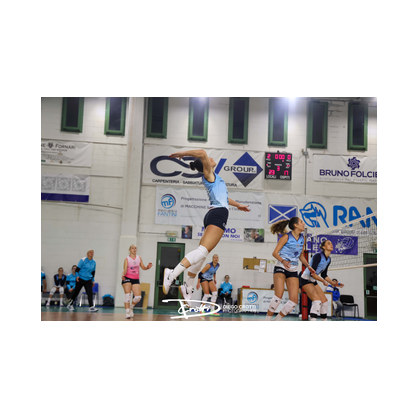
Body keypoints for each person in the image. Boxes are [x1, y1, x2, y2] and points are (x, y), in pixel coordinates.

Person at [163, 149, 250, 302]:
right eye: (209, 158)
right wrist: (183, 154)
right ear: (205, 165)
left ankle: (188, 286)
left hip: (214, 213)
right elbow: (202, 152)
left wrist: (238, 205)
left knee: (202, 257)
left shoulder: (215, 177)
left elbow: (225, 198)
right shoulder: (208, 174)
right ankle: (172, 273)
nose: (211, 158)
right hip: (218, 214)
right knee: (202, 252)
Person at [265, 217, 315, 321]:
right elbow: (275, 253)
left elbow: (301, 256)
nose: (303, 223)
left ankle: (277, 319)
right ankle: (267, 319)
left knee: (293, 301)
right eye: (301, 222)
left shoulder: (302, 238)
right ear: (295, 225)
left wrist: (308, 266)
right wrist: (283, 261)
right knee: (278, 296)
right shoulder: (286, 237)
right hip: (281, 267)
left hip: (293, 270)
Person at [299, 240, 344, 321]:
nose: (331, 244)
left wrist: (334, 284)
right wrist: (323, 281)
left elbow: (324, 275)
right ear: (323, 247)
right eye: (328, 243)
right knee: (317, 301)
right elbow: (312, 274)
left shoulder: (329, 259)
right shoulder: (318, 256)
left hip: (313, 280)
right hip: (306, 279)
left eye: (331, 243)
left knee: (325, 302)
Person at [121, 244, 153, 319]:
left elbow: (143, 267)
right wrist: (123, 275)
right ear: (129, 250)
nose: (134, 249)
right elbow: (125, 269)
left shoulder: (139, 258)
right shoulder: (127, 259)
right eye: (132, 248)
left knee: (138, 297)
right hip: (127, 278)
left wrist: (147, 267)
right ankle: (127, 312)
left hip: (135, 279)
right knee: (128, 295)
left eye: (135, 248)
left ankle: (131, 307)